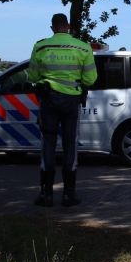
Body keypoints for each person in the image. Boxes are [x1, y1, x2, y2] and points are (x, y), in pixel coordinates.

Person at [28, 14, 97, 207]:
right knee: (70, 145)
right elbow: (91, 79)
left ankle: (46, 195)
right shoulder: (83, 48)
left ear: (52, 28)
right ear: (68, 26)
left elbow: (32, 76)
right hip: (71, 101)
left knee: (47, 145)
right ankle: (68, 195)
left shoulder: (40, 47)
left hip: (48, 100)